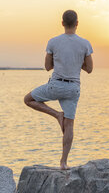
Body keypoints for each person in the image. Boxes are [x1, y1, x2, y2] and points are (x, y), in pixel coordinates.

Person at [24, 10, 93, 170]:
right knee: (69, 125)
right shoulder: (85, 44)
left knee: (28, 100)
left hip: (56, 85)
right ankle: (63, 162)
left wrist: (60, 60)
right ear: (77, 23)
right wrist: (76, 63)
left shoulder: (53, 42)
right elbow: (89, 69)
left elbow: (47, 67)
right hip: (73, 88)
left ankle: (56, 115)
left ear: (62, 23)